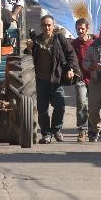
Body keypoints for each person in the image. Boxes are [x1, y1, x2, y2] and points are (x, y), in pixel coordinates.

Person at [27, 15, 76, 144]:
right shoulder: (36, 41)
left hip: (56, 79)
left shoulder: (59, 39)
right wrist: (29, 48)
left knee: (60, 106)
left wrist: (70, 69)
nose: (47, 27)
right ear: (41, 26)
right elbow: (27, 59)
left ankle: (56, 130)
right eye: (44, 25)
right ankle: (46, 134)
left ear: (53, 26)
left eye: (49, 25)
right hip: (41, 80)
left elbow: (70, 54)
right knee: (42, 109)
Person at [70, 18, 94, 142]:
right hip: (81, 79)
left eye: (82, 29)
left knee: (93, 105)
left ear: (87, 29)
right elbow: (70, 60)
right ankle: (82, 130)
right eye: (78, 29)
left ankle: (92, 130)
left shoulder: (93, 43)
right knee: (81, 102)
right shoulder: (73, 44)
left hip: (94, 79)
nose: (80, 31)